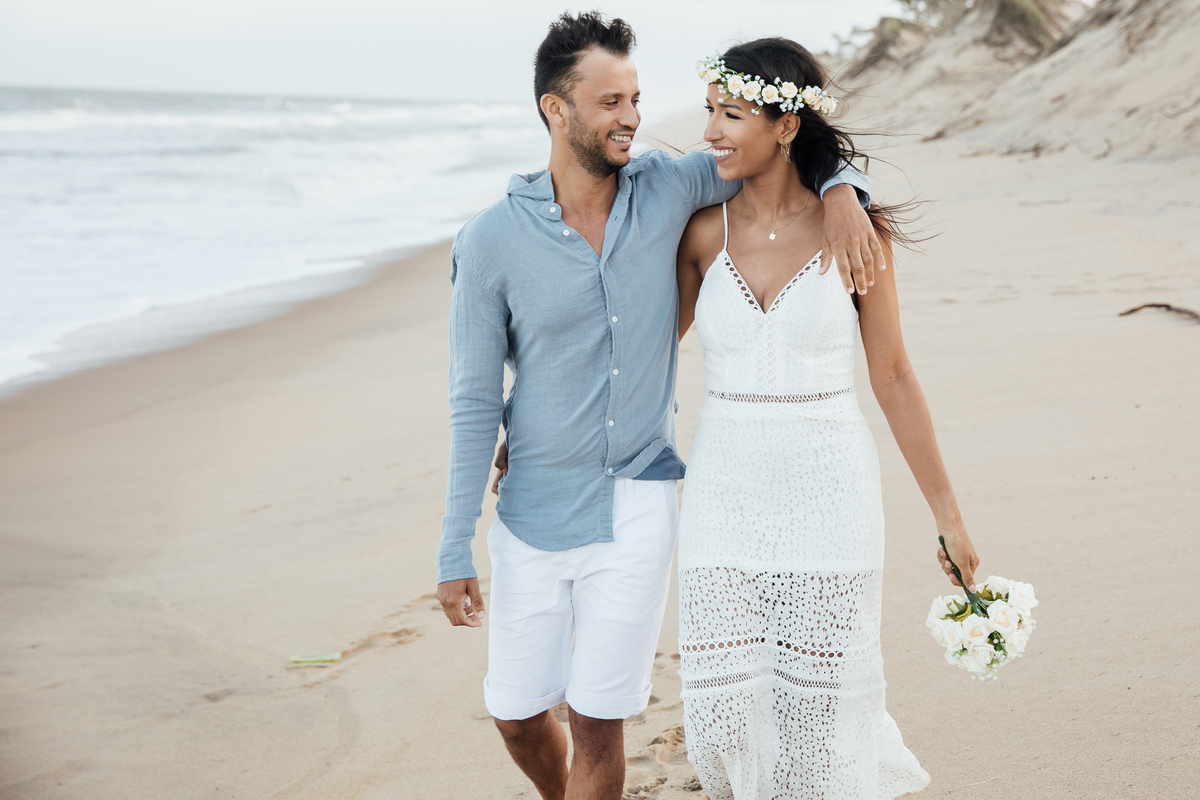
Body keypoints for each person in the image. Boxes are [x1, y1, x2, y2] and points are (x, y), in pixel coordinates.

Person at [435, 12, 884, 800]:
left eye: (636, 98)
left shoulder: (669, 188)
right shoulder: (489, 242)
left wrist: (846, 188)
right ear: (556, 109)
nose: (634, 119)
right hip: (533, 505)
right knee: (514, 714)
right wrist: (452, 547)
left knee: (599, 725)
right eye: (611, 102)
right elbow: (475, 400)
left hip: (640, 495)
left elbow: (782, 151)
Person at [674, 38, 980, 798]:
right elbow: (642, 359)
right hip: (723, 490)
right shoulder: (701, 232)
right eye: (710, 109)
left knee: (817, 724)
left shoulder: (855, 232)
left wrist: (948, 515)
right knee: (722, 721)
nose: (710, 129)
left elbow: (895, 375)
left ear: (785, 127)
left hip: (828, 486)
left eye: (731, 113)